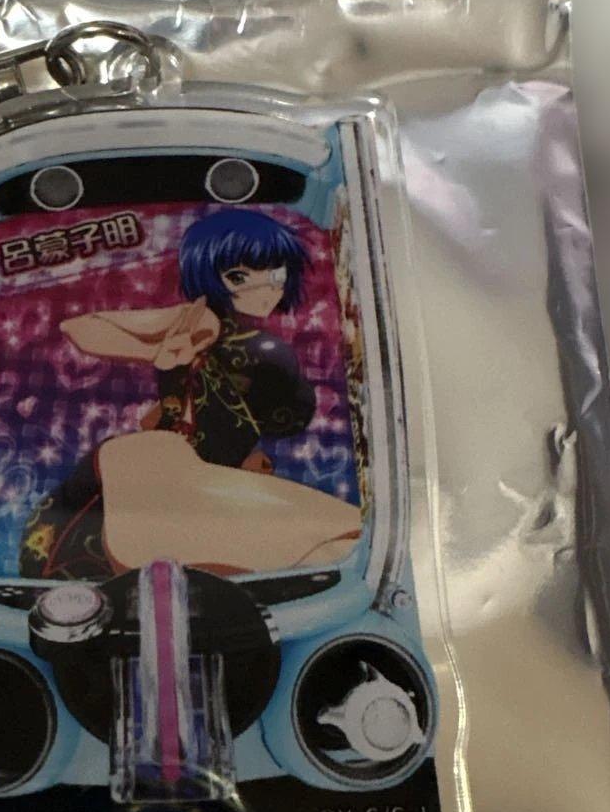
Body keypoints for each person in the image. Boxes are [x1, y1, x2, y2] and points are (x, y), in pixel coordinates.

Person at [19, 208, 361, 580]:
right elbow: (81, 327)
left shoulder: (262, 350)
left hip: (194, 492)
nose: (262, 289)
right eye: (239, 277)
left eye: (275, 275)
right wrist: (153, 348)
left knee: (327, 545)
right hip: (134, 483)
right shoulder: (199, 320)